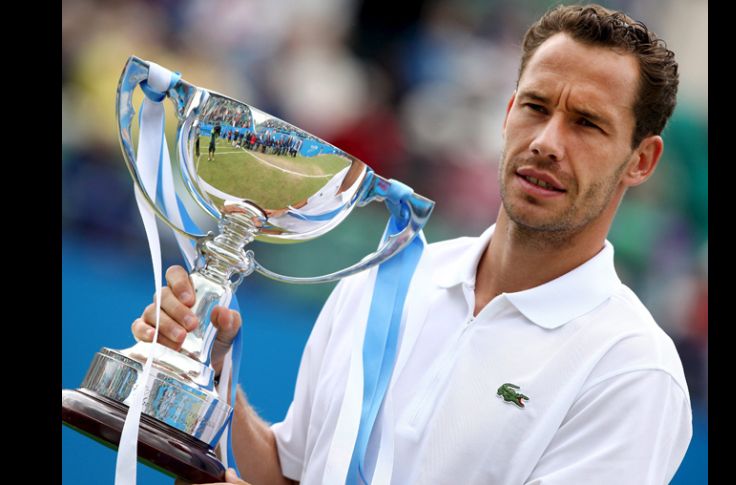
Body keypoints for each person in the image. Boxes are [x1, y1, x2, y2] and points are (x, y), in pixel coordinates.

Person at [132, 4, 692, 484]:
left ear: (640, 160)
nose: (547, 142)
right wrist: (209, 368)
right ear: (507, 113)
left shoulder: (634, 371)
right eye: (536, 107)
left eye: (587, 123)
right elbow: (293, 471)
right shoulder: (384, 275)